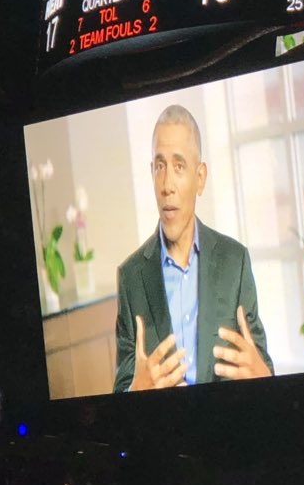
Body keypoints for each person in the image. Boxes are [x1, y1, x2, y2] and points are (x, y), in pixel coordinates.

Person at [113, 104, 273, 392]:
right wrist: (135, 391)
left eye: (179, 166)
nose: (167, 185)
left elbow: (260, 366)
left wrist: (264, 377)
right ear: (151, 174)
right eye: (159, 166)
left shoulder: (235, 262)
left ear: (200, 178)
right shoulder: (130, 277)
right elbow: (122, 386)